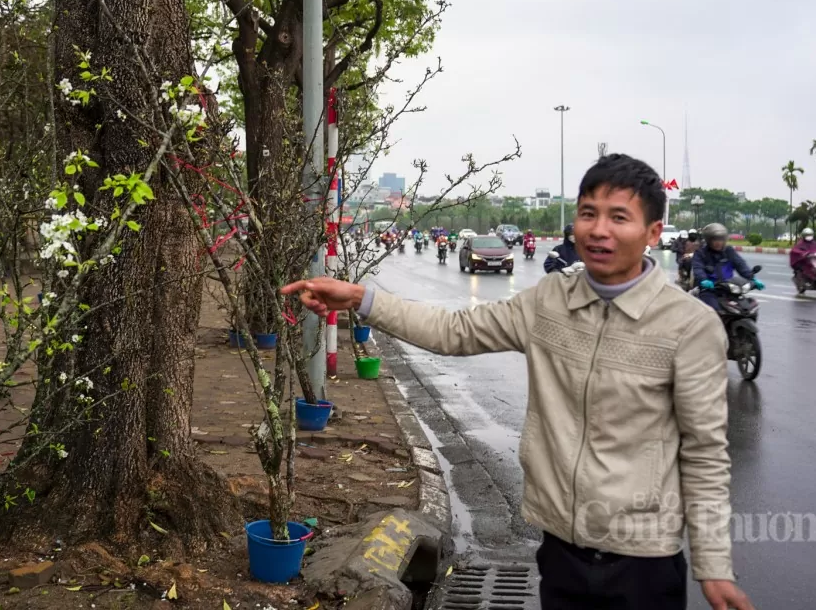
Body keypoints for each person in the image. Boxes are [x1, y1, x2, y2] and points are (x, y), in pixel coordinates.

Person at [282, 154, 755, 610]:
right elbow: (454, 331)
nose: (599, 229)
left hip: (644, 561)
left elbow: (705, 452)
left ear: (653, 232)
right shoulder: (549, 301)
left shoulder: (688, 326)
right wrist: (361, 298)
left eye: (619, 217)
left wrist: (714, 566)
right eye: (588, 213)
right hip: (560, 549)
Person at [691, 223, 764, 311]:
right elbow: (698, 268)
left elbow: (740, 264)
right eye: (715, 239)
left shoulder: (729, 251)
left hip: (729, 289)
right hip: (709, 290)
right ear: (709, 240)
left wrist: (752, 278)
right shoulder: (701, 253)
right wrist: (704, 280)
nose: (718, 242)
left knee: (747, 309)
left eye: (721, 239)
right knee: (714, 311)